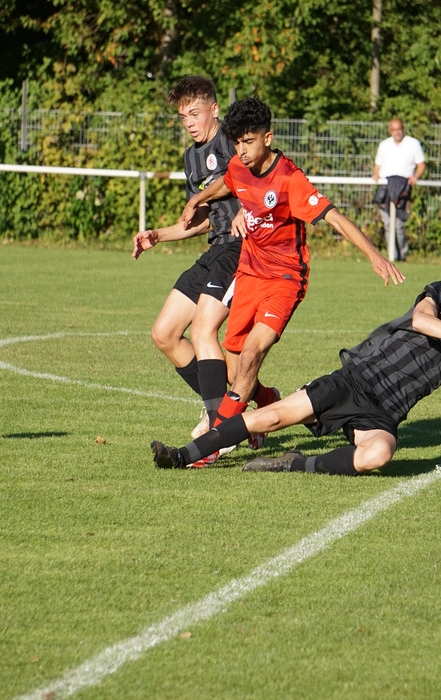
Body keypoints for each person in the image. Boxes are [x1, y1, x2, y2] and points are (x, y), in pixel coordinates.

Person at [151, 256, 441, 477]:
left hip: (381, 414)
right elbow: (421, 322)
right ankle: (183, 456)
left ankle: (293, 464)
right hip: (353, 380)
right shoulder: (435, 297)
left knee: (378, 454)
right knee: (270, 416)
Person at [177, 96, 404, 466]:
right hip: (249, 273)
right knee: (236, 368)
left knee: (251, 354)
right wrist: (197, 199)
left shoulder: (289, 180)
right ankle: (265, 401)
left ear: (268, 137)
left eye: (248, 142)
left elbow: (334, 218)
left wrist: (373, 254)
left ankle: (212, 445)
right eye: (236, 143)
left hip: (284, 278)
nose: (241, 151)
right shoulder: (238, 165)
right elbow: (226, 184)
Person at [131, 76, 246, 439]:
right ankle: (228, 407)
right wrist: (159, 235)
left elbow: (242, 179)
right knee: (164, 333)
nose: (190, 123)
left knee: (202, 330)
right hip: (215, 248)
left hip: (242, 250)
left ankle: (220, 427)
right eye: (183, 117)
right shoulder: (191, 158)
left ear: (214, 109)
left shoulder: (233, 139)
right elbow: (200, 219)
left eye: (195, 113)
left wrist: (204, 199)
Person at [372, 118, 426, 262]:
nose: (397, 132)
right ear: (390, 131)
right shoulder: (384, 145)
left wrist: (415, 177)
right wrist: (375, 175)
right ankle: (392, 256)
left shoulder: (413, 144)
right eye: (394, 130)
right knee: (388, 224)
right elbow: (377, 166)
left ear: (403, 128)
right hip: (385, 188)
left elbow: (421, 165)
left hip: (402, 189)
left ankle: (401, 255)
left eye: (399, 129)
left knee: (398, 225)